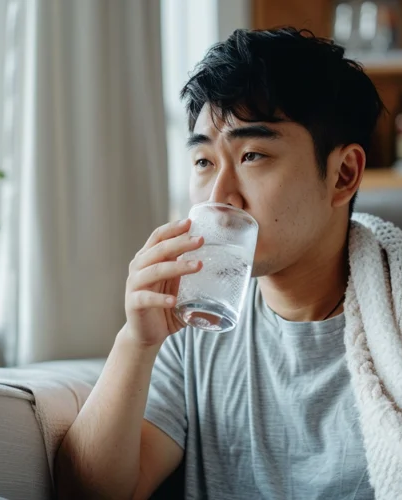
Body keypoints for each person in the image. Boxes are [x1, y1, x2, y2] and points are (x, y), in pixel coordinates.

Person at [55, 27, 382, 499]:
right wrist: (136, 342)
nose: (219, 195)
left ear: (342, 174)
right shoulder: (194, 327)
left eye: (252, 155)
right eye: (204, 162)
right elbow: (89, 493)